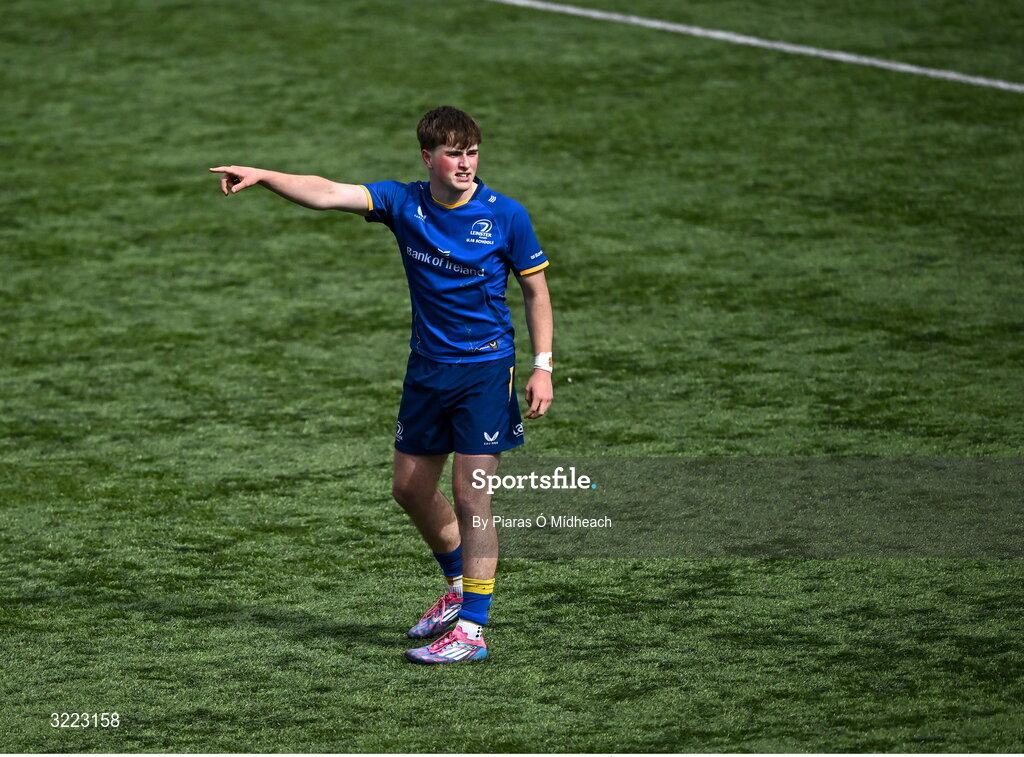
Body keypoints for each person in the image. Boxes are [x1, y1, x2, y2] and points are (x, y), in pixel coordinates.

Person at [210, 106, 554, 664]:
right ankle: (458, 587)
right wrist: (265, 175)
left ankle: (473, 629)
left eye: (471, 153)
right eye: (453, 154)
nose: (465, 164)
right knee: (410, 490)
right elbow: (325, 192)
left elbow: (536, 292)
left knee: (472, 496)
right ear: (428, 158)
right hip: (426, 370)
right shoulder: (404, 201)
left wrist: (544, 365)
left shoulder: (507, 216)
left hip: (486, 370)